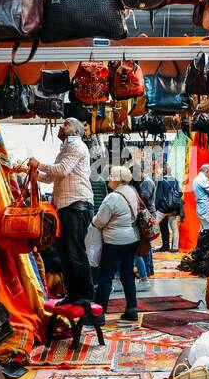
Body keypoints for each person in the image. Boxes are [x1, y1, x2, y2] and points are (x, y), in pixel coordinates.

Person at [29, 118, 94, 304]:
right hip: (68, 206)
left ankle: (86, 296)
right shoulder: (65, 149)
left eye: (66, 123)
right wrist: (34, 174)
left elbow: (62, 170)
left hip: (77, 205)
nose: (61, 126)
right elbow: (50, 178)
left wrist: (38, 164)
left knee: (75, 252)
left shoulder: (76, 146)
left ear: (76, 131)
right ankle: (73, 294)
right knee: (65, 253)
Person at [92, 166, 143, 322]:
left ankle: (99, 314)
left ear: (118, 179)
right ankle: (132, 309)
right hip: (132, 239)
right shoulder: (132, 191)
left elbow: (99, 221)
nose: (109, 178)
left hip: (114, 242)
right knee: (127, 274)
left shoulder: (112, 198)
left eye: (111, 176)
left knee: (106, 277)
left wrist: (93, 221)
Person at [133, 165, 156, 290]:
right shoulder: (145, 182)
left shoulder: (146, 183)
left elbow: (145, 198)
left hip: (147, 215)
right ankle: (147, 269)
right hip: (147, 214)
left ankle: (147, 269)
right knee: (146, 245)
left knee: (145, 245)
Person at [154, 164, 183, 252]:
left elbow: (159, 196)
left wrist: (156, 208)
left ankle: (153, 246)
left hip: (163, 209)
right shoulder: (175, 180)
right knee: (174, 228)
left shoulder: (161, 181)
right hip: (173, 208)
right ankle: (175, 248)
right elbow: (180, 193)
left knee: (153, 225)